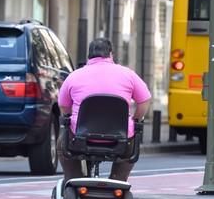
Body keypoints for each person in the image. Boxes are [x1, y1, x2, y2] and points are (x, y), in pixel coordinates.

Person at [57, 37, 151, 183]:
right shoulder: (128, 74)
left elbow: (63, 105)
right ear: (110, 54)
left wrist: (70, 118)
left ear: (89, 56)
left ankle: (73, 179)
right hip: (120, 139)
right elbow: (144, 100)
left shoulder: (74, 76)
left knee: (62, 145)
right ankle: (118, 180)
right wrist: (136, 120)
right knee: (129, 148)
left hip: (81, 138)